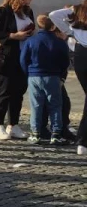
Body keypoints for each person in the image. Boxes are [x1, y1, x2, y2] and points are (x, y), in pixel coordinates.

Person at [0, 0, 37, 140]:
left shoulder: (28, 11)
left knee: (19, 91)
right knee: (4, 90)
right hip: (5, 57)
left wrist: (31, 31)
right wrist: (13, 36)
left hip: (23, 57)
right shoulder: (2, 12)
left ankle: (13, 124)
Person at [20, 15, 71, 145]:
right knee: (55, 105)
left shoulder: (31, 41)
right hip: (52, 76)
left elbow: (23, 60)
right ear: (53, 26)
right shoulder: (58, 42)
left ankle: (35, 133)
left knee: (36, 106)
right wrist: (60, 74)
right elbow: (65, 61)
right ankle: (56, 134)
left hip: (34, 75)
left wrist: (29, 72)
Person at [50, 0, 87, 155]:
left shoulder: (78, 13)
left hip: (81, 55)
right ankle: (83, 141)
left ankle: (83, 142)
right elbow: (53, 15)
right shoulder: (78, 12)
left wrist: (69, 28)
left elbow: (54, 15)